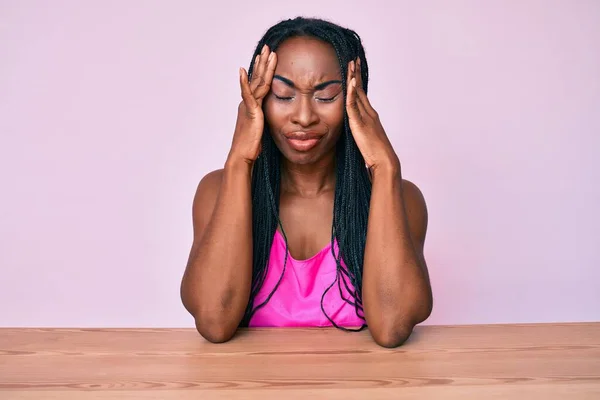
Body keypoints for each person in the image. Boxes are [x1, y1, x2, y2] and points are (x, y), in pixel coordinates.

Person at [180, 17, 432, 348]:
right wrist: (240, 160)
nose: (303, 116)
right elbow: (214, 320)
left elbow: (392, 327)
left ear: (356, 101)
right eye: (283, 95)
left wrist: (384, 167)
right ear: (259, 101)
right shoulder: (218, 191)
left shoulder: (400, 197)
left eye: (325, 97)